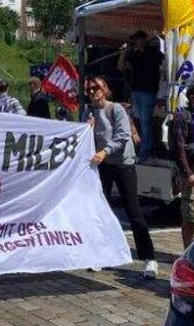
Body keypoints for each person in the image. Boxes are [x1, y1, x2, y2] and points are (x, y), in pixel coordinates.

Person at [84, 76, 158, 278]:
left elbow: (123, 135)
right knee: (101, 210)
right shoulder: (88, 112)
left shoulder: (115, 109)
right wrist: (87, 128)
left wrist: (105, 151)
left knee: (133, 210)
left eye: (95, 88)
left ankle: (149, 258)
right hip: (103, 165)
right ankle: (101, 253)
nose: (92, 92)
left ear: (104, 89)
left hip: (122, 163)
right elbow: (85, 139)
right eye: (88, 89)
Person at [118, 31, 162, 160]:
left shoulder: (153, 51)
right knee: (138, 119)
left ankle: (146, 149)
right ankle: (143, 145)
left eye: (137, 40)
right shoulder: (133, 54)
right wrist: (124, 53)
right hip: (136, 90)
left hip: (149, 91)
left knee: (145, 121)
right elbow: (121, 67)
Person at [170, 86, 194, 248]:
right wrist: (187, 173)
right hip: (191, 171)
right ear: (192, 97)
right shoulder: (183, 117)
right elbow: (178, 147)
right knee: (190, 215)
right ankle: (187, 250)